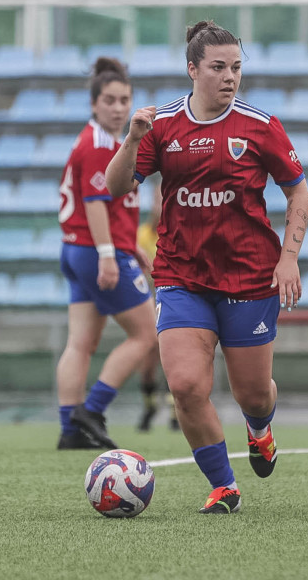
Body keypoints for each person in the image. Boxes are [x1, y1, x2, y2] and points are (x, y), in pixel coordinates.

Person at [105, 21, 308, 514]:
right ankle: (224, 485)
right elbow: (115, 187)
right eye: (218, 67)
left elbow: (298, 191)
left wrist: (289, 259)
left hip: (250, 276)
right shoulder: (164, 125)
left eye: (236, 67)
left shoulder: (261, 126)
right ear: (192, 69)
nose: (230, 77)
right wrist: (132, 141)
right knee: (186, 385)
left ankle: (259, 428)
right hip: (181, 276)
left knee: (253, 395)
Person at [56, 57, 158, 450]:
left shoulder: (99, 140)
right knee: (147, 334)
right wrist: (108, 253)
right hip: (95, 250)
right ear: (95, 104)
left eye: (125, 100)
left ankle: (69, 430)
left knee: (80, 343)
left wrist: (128, 242)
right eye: (110, 101)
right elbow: (96, 203)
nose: (118, 108)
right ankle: (92, 410)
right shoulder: (100, 144)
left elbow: (105, 205)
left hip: (75, 249)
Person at [135, 178, 179, 432]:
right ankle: (150, 404)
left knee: (176, 353)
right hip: (151, 301)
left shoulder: (180, 230)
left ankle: (176, 409)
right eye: (154, 199)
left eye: (160, 198)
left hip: (174, 298)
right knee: (149, 352)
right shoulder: (143, 234)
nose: (157, 204)